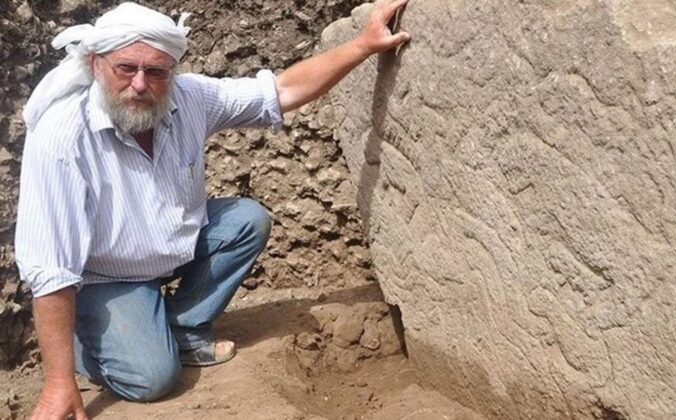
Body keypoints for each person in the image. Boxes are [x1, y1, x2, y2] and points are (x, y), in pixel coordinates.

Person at [14, 1, 410, 418]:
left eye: (156, 72)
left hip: (171, 248)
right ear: (96, 65)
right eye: (126, 68)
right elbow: (52, 268)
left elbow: (281, 91)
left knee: (245, 221)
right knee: (152, 379)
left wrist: (364, 45)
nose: (140, 84)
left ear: (172, 72)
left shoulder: (190, 98)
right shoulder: (63, 138)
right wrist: (59, 383)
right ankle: (86, 342)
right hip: (105, 278)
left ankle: (181, 330)